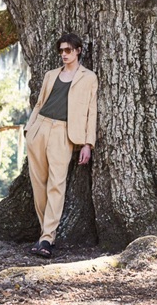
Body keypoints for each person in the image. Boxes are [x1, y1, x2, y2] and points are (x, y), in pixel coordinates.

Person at [24, 33, 98, 258]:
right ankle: (43, 233)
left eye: (68, 50)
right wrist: (29, 129)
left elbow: (91, 112)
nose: (64, 55)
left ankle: (47, 239)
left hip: (63, 133)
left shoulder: (89, 78)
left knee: (57, 184)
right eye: (61, 51)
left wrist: (88, 143)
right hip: (39, 129)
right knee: (39, 185)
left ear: (78, 51)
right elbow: (39, 103)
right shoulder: (50, 75)